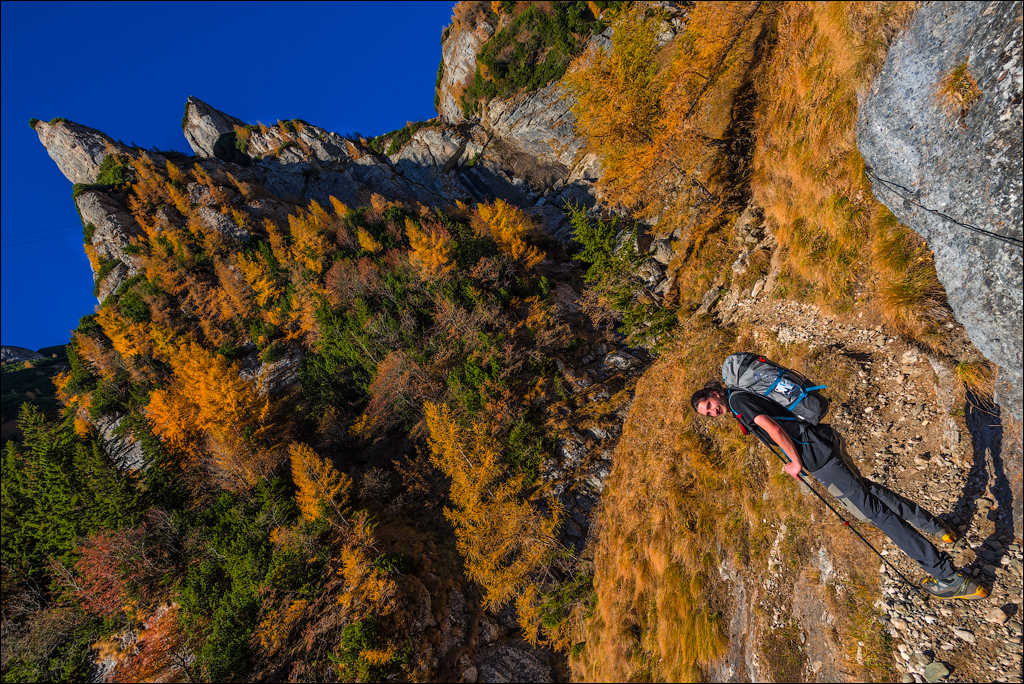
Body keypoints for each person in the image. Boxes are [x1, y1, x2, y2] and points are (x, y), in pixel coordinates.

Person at [691, 380, 987, 601]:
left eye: (709, 405)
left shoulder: (740, 402)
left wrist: (794, 463)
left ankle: (948, 576)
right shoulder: (741, 396)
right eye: (708, 414)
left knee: (874, 514)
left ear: (714, 393)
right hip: (823, 442)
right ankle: (937, 528)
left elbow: (775, 430)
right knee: (866, 491)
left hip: (818, 458)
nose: (713, 412)